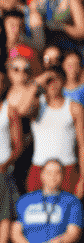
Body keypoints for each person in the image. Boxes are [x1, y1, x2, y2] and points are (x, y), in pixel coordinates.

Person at [27, 67, 84, 196]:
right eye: (48, 81)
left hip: (67, 169)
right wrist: (38, 82)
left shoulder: (74, 108)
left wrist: (83, 179)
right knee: (36, 214)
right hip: (39, 168)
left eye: (55, 80)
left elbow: (82, 145)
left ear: (63, 81)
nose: (52, 84)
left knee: (67, 213)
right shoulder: (36, 105)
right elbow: (22, 108)